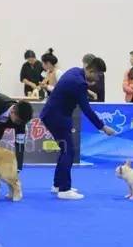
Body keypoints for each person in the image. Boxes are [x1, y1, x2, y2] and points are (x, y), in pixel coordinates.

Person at [41, 59, 116, 200]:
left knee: (65, 150)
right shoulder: (79, 83)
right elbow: (86, 109)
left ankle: (58, 185)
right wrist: (103, 127)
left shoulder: (75, 71)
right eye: (98, 75)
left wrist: (87, 90)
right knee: (69, 151)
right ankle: (64, 190)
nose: (98, 79)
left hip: (52, 114)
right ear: (91, 71)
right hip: (56, 117)